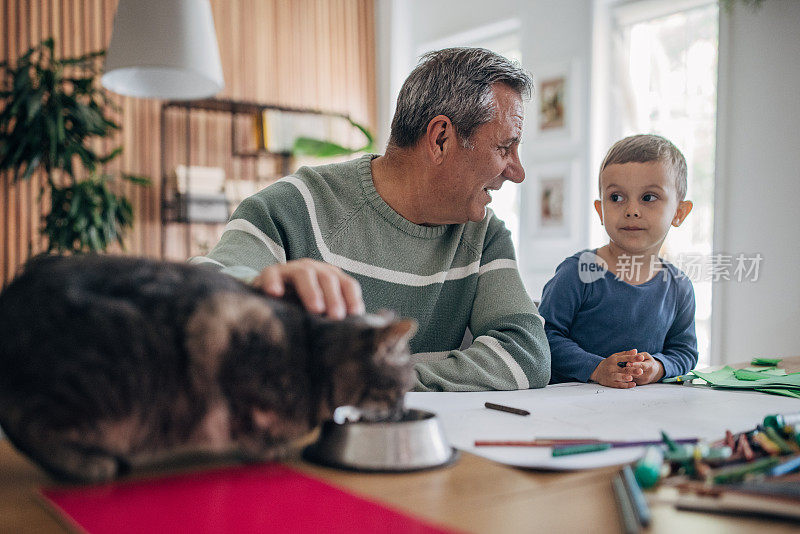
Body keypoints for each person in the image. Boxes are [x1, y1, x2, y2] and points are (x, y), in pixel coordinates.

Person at [190, 47, 550, 392]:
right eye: (504, 148)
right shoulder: (290, 207)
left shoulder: (485, 235)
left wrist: (377, 377)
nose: (517, 172)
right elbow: (202, 295)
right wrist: (256, 290)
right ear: (440, 139)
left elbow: (526, 355)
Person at [539, 134, 698, 388]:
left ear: (679, 213)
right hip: (572, 407)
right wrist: (596, 368)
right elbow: (543, 337)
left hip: (642, 412)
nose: (631, 210)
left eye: (648, 197)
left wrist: (658, 367)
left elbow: (684, 352)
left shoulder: (679, 287)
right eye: (616, 197)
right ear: (601, 211)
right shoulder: (578, 272)